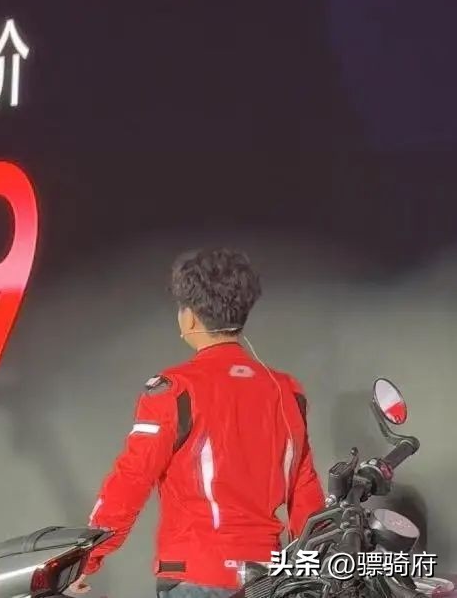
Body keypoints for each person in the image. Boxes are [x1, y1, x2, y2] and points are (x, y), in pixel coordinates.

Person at [69, 248, 325, 597]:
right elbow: (305, 490)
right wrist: (315, 570)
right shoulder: (286, 390)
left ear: (189, 318)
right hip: (269, 579)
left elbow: (132, 477)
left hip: (195, 573)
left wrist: (87, 558)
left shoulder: (174, 389)